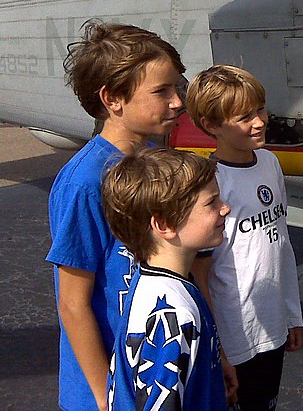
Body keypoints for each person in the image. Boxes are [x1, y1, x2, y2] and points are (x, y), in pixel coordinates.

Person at [46, 23, 185, 411]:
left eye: (177, 88)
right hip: (110, 390)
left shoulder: (158, 165)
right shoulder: (86, 183)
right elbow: (73, 303)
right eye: (162, 91)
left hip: (157, 374)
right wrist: (105, 396)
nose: (177, 102)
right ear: (113, 99)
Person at [186, 64, 303, 411]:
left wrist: (291, 314)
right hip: (235, 338)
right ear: (211, 126)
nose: (260, 122)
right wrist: (216, 348)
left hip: (273, 327)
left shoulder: (269, 163)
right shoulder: (211, 183)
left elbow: (280, 246)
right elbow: (201, 275)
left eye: (260, 110)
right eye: (244, 117)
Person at [102, 147, 231, 410]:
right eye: (211, 202)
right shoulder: (173, 314)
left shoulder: (149, 281)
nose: (225, 208)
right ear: (164, 225)